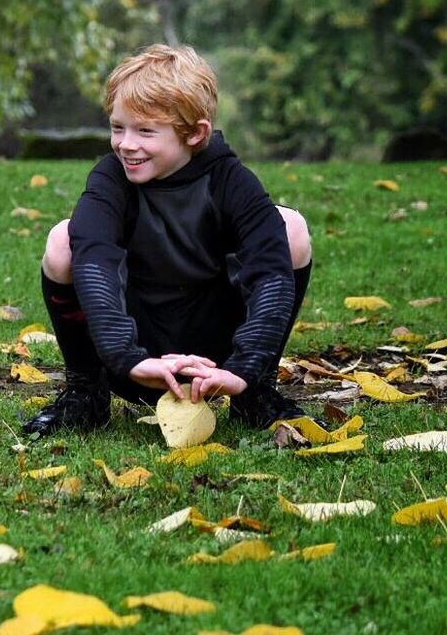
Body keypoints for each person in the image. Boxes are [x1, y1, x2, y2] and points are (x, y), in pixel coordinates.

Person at [22, 43, 314, 438]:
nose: (126, 143)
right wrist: (127, 359)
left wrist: (244, 369)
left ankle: (256, 393)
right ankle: (86, 394)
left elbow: (269, 269)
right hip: (131, 354)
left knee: (290, 228)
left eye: (145, 131)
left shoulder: (231, 181)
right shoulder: (111, 179)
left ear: (195, 133)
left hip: (220, 360)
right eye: (117, 127)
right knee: (64, 240)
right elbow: (94, 258)